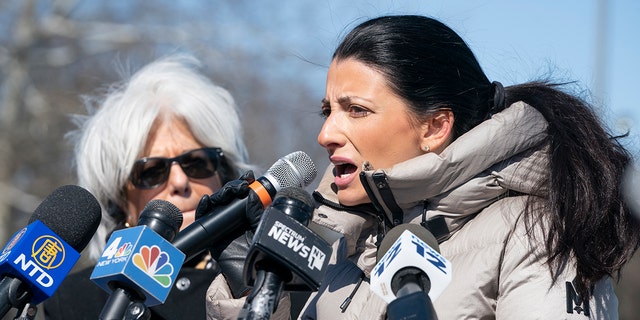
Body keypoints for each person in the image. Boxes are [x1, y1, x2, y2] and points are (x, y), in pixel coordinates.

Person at [289, 15, 639, 319]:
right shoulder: (348, 243)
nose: (325, 134)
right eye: (327, 111)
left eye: (356, 110)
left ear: (434, 127)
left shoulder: (533, 232)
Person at [41, 54, 289, 319]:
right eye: (151, 171)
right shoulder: (73, 300)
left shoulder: (283, 286)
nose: (180, 182)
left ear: (224, 174)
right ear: (120, 200)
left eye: (197, 163)